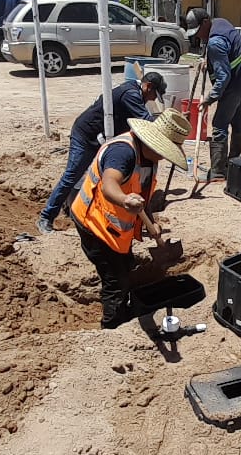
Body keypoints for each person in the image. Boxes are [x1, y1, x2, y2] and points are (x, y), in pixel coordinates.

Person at [70, 108, 189, 329]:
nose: (164, 157)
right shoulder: (122, 153)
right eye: (164, 151)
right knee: (115, 280)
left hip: (114, 227)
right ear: (153, 143)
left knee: (125, 266)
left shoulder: (149, 158)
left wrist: (151, 222)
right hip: (94, 224)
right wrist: (125, 201)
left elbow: (141, 194)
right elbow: (109, 184)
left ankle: (125, 296)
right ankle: (112, 325)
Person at [36, 70, 164, 234]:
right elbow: (146, 122)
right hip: (86, 136)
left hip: (102, 138)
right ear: (148, 86)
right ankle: (46, 217)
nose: (153, 99)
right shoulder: (130, 94)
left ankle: (78, 210)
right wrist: (169, 122)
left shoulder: (134, 93)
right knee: (72, 175)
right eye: (154, 94)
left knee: (94, 177)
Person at [186, 8, 241, 179]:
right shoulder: (220, 22)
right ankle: (234, 163)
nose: (198, 36)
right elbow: (226, 52)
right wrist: (207, 61)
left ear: (205, 22)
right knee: (237, 119)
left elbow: (223, 76)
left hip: (235, 83)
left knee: (219, 124)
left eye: (198, 31)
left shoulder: (215, 42)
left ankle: (218, 171)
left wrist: (210, 98)